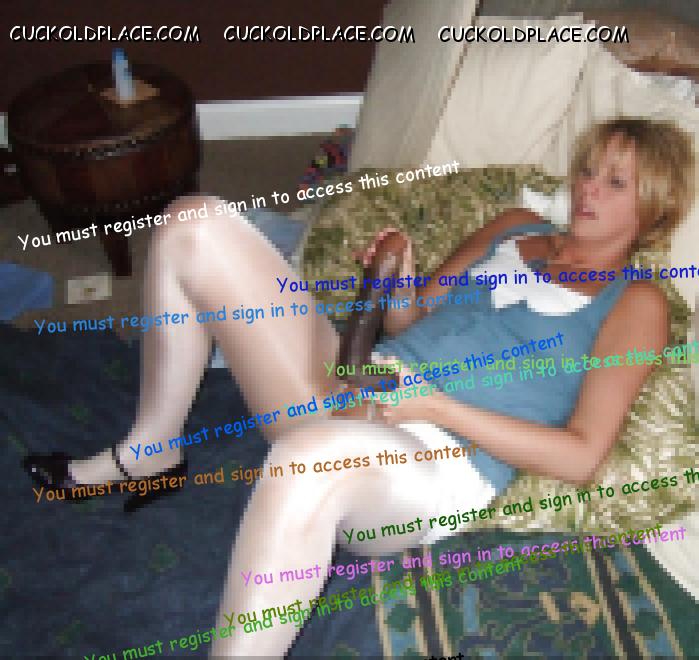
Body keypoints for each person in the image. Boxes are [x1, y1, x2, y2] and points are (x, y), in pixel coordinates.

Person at [23, 118, 695, 657]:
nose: (587, 189)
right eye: (587, 170)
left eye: (615, 182)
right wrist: (397, 272)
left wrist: (434, 405)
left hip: (433, 459)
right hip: (357, 386)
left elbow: (580, 456)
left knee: (309, 460)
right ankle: (150, 451)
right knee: (193, 223)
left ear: (653, 208)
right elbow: (412, 319)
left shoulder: (635, 301)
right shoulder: (515, 226)